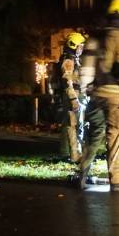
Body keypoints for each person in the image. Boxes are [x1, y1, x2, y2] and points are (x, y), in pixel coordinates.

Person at [77, 0, 119, 192]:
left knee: (94, 136)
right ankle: (118, 180)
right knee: (116, 136)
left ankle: (82, 172)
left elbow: (86, 68)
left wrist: (85, 88)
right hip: (115, 97)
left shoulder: (94, 38)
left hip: (95, 95)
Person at [54, 31, 86, 163]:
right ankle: (75, 155)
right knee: (73, 125)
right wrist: (74, 99)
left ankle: (73, 152)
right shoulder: (68, 60)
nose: (81, 49)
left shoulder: (74, 60)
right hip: (73, 96)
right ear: (73, 45)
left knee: (76, 125)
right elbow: (68, 81)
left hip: (78, 95)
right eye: (80, 46)